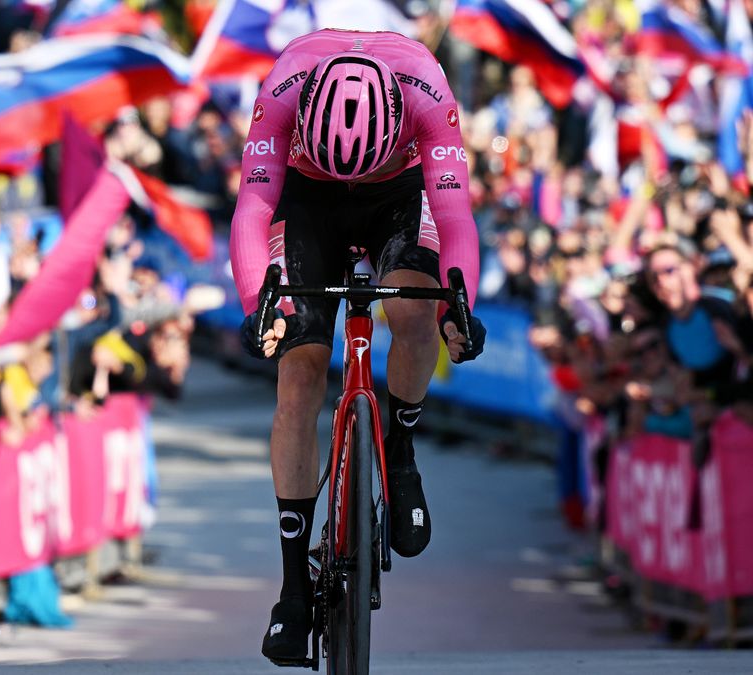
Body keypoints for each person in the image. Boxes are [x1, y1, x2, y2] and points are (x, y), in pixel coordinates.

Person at [228, 30, 488, 662]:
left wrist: (461, 311)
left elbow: (454, 219)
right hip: (306, 195)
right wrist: (256, 306)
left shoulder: (428, 93)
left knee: (416, 311)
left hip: (399, 192)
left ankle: (397, 451)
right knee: (300, 367)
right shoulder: (282, 90)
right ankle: (293, 587)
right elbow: (252, 212)